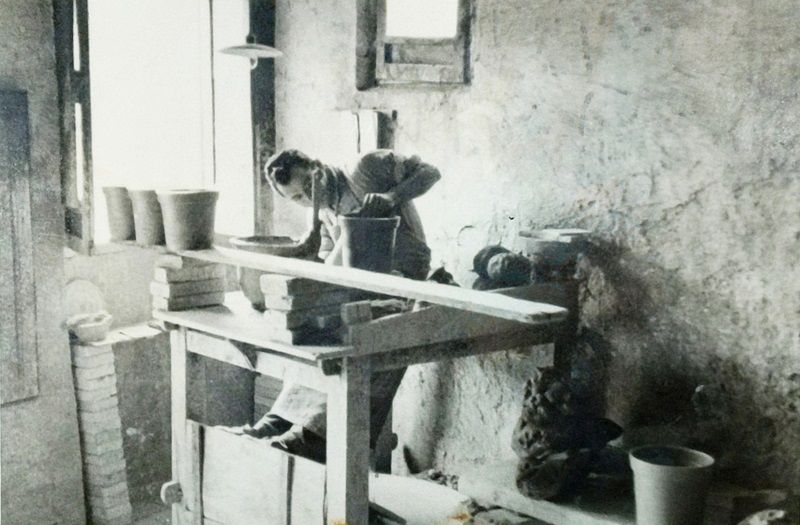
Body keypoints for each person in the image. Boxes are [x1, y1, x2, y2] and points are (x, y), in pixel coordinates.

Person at [229, 148, 441, 462]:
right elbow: (330, 265)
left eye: (309, 187)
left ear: (318, 167)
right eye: (299, 197)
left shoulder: (364, 169)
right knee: (314, 332)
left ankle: (315, 435)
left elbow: (430, 171)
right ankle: (279, 421)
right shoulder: (320, 212)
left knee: (375, 339)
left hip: (403, 278)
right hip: (361, 287)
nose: (308, 198)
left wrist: (392, 197)